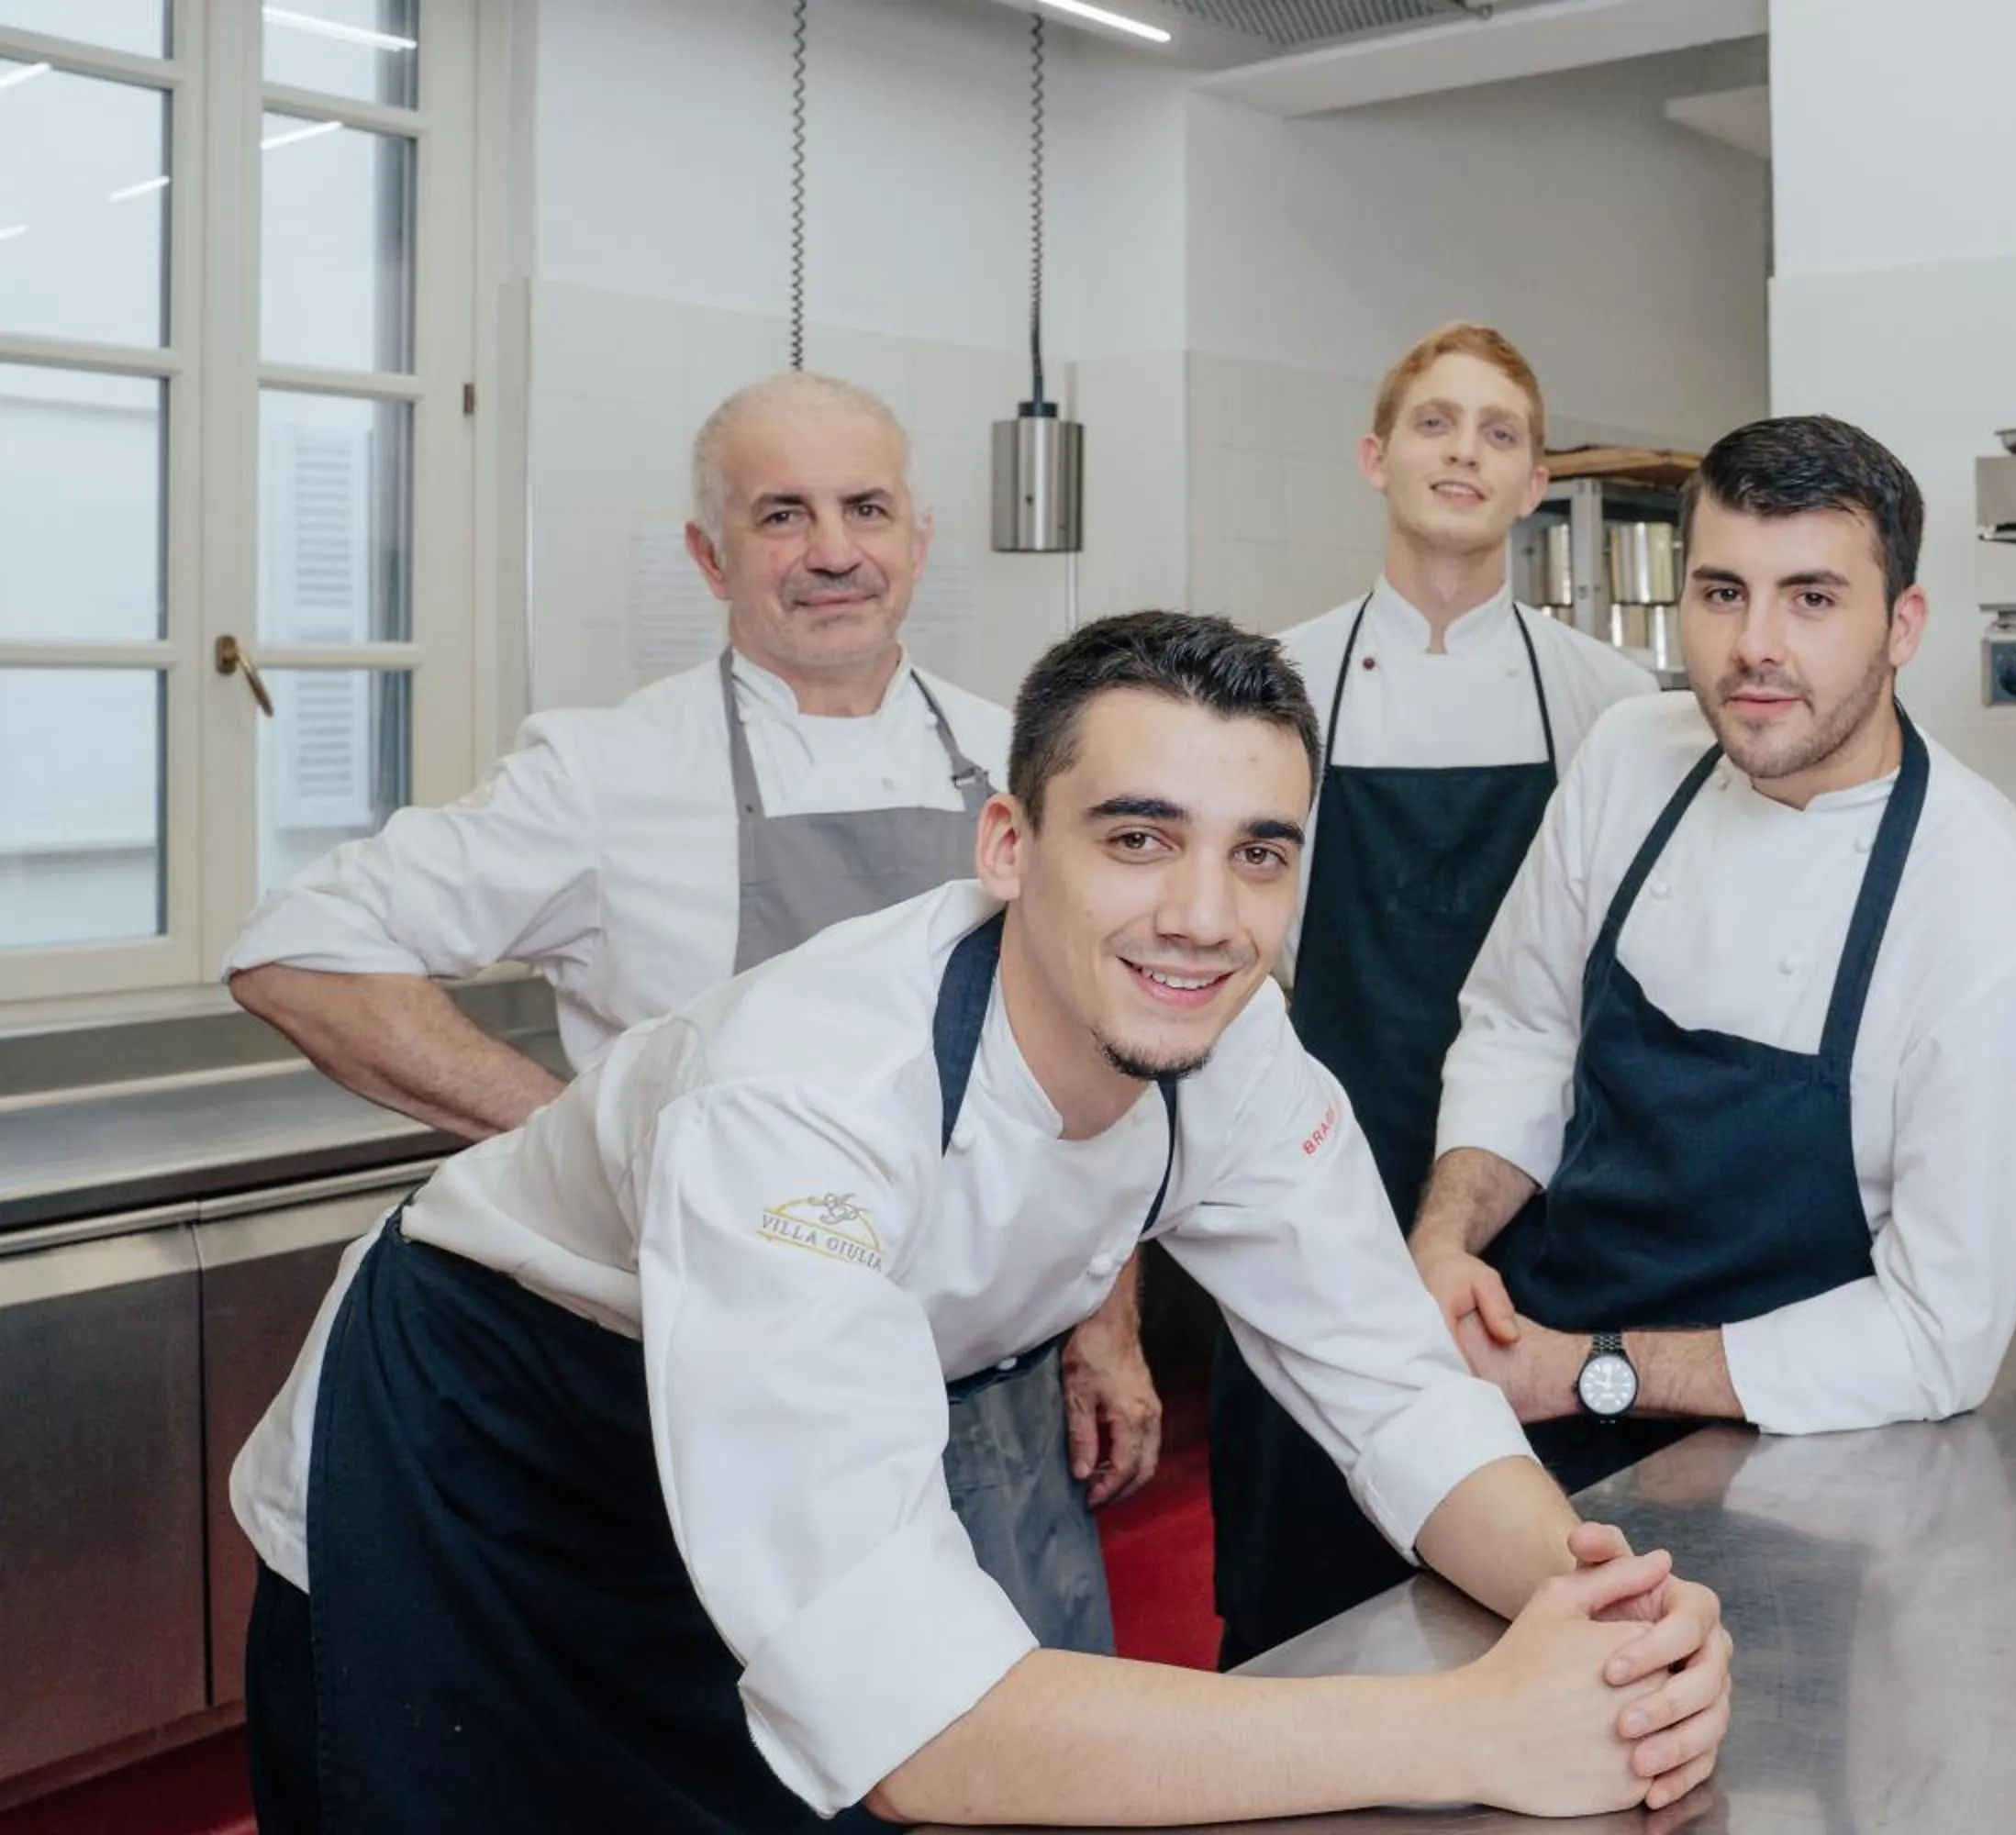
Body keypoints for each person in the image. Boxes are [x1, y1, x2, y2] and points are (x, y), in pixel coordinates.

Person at [232, 612, 1732, 1832]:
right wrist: (1468, 1729)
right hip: (481, 1474)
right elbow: (920, 1736)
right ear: (1009, 847)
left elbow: (1394, 1383)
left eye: (1259, 852)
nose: (1205, 916)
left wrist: (1593, 1621)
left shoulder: (1240, 1049)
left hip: (765, 1494)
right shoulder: (804, 1105)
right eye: (1139, 839)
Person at [219, 373, 1155, 1652]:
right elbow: (299, 950)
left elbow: (1102, 1060)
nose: (833, 552)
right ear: (710, 557)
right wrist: (585, 1140)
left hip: (970, 1386)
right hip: (709, 1378)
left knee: (1003, 1737)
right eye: (782, 516)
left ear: (918, 541)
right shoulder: (611, 773)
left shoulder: (1026, 762)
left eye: (866, 509)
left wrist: (1105, 1321)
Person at [1409, 414, 2016, 1491]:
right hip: (1528, 1395)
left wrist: (1590, 1370)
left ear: (1904, 624)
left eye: (1811, 598)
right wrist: (1446, 1242)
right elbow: (1523, 1029)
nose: (1755, 645)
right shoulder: (1633, 752)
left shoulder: (1989, 910)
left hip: (1801, 1465)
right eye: (1723, 592)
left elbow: (1936, 1337)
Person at [1208, 323, 1655, 1663]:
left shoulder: (1611, 701)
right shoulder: (1275, 682)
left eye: (1499, 433)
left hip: (1532, 1193)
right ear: (1375, 457)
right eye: (1435, 423)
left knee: (1519, 1546)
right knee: (1305, 1529)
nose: (1465, 452)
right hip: (1312, 1172)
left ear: (1534, 485)